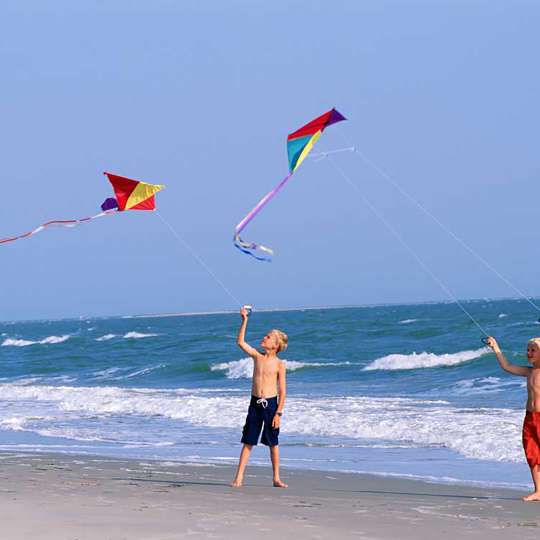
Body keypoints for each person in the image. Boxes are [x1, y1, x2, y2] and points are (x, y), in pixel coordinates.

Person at [231, 306, 288, 488]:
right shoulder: (257, 356)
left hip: (271, 406)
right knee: (248, 440)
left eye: (268, 337)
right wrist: (244, 320)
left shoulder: (279, 364)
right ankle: (239, 477)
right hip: (255, 403)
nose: (264, 338)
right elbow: (240, 342)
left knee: (273, 443)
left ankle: (276, 478)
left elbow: (283, 391)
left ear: (276, 345)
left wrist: (278, 414)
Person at [485, 336, 540, 501]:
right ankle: (538, 491)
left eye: (533, 350)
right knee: (532, 453)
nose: (529, 353)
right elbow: (506, 366)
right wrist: (495, 347)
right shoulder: (529, 371)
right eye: (528, 350)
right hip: (530, 418)